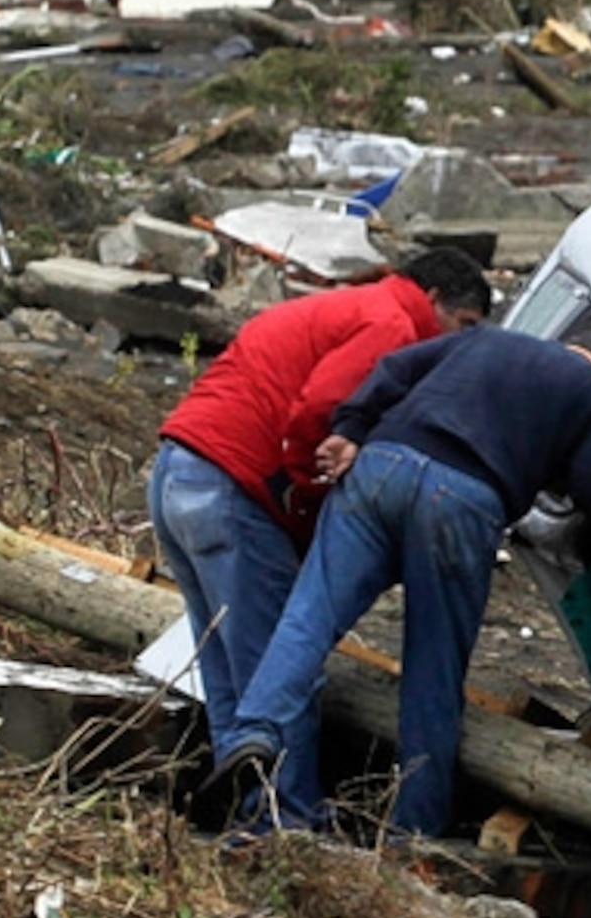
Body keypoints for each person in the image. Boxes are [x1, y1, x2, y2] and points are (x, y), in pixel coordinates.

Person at [211, 323, 591, 835]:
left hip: (382, 464)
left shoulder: (488, 339)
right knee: (433, 668)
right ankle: (413, 829)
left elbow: (393, 369)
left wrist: (350, 428)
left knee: (309, 617)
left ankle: (253, 730)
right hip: (464, 499)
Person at [148, 246, 494, 820]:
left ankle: (244, 809)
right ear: (434, 300)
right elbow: (323, 407)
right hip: (237, 487)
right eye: (463, 327)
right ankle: (284, 821)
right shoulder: (393, 324)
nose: (461, 344)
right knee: (278, 672)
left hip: (178, 469)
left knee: (229, 672)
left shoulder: (348, 304)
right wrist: (307, 495)